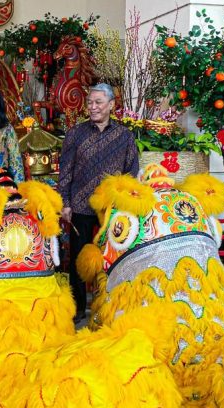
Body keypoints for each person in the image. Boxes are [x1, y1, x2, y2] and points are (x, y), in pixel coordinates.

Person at [58, 83, 139, 322]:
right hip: (80, 204)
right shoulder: (76, 133)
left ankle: (110, 304)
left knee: (114, 256)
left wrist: (127, 203)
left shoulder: (124, 136)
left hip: (112, 209)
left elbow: (131, 171)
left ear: (111, 105)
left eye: (98, 103)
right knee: (79, 259)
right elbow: (65, 171)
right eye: (90, 103)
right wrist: (65, 202)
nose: (92, 107)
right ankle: (78, 307)